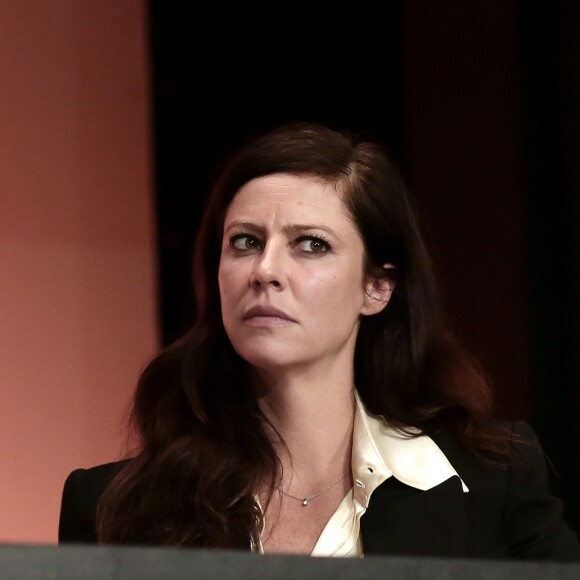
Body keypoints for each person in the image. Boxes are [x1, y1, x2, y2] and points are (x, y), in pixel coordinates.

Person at [59, 121, 580, 559]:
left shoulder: (492, 485)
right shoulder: (114, 504)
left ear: (377, 287)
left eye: (311, 245)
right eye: (245, 242)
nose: (265, 270)